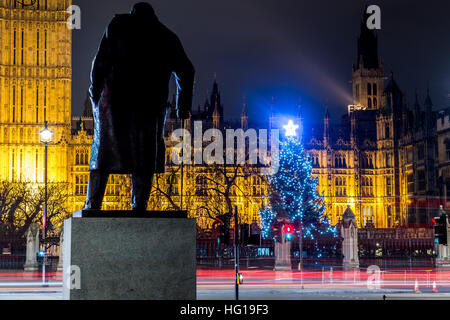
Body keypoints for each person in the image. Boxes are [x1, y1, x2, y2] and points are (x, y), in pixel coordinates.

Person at [84, 2, 194, 211]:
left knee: (103, 154)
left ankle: (93, 203)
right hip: (149, 105)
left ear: (133, 13)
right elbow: (187, 70)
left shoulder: (117, 25)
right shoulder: (167, 36)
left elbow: (99, 62)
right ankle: (139, 204)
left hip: (115, 102)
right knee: (144, 157)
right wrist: (182, 105)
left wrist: (95, 91)